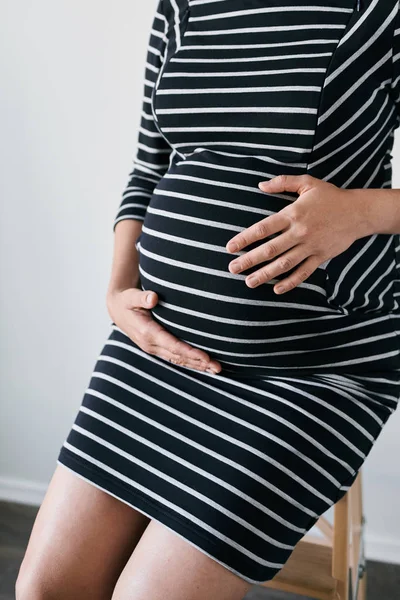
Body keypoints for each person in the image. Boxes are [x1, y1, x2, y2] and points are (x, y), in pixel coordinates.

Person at [16, 1, 400, 599]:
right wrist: (117, 292)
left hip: (308, 365)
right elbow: (150, 166)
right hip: (156, 349)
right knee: (45, 590)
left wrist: (360, 212)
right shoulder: (184, 5)